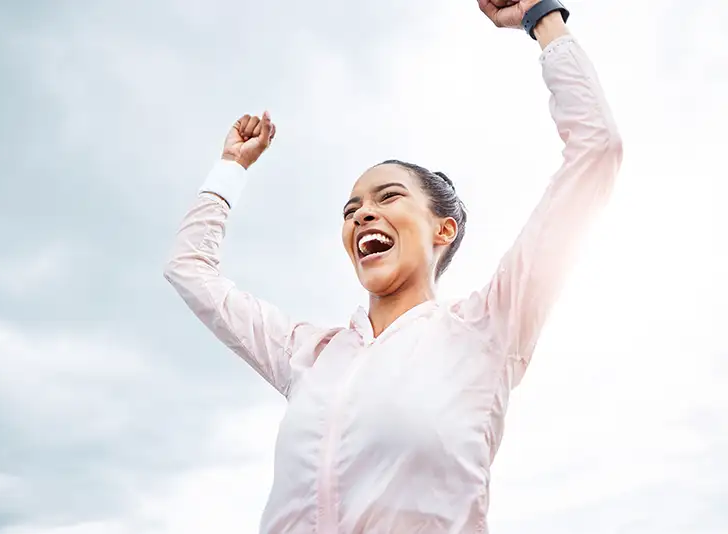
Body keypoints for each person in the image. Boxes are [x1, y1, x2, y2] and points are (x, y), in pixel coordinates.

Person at [164, 1, 622, 532]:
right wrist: (231, 168)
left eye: (388, 196)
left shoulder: (488, 329)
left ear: (442, 230)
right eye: (351, 210)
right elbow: (189, 268)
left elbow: (598, 148)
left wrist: (542, 17)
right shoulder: (311, 353)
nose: (363, 215)